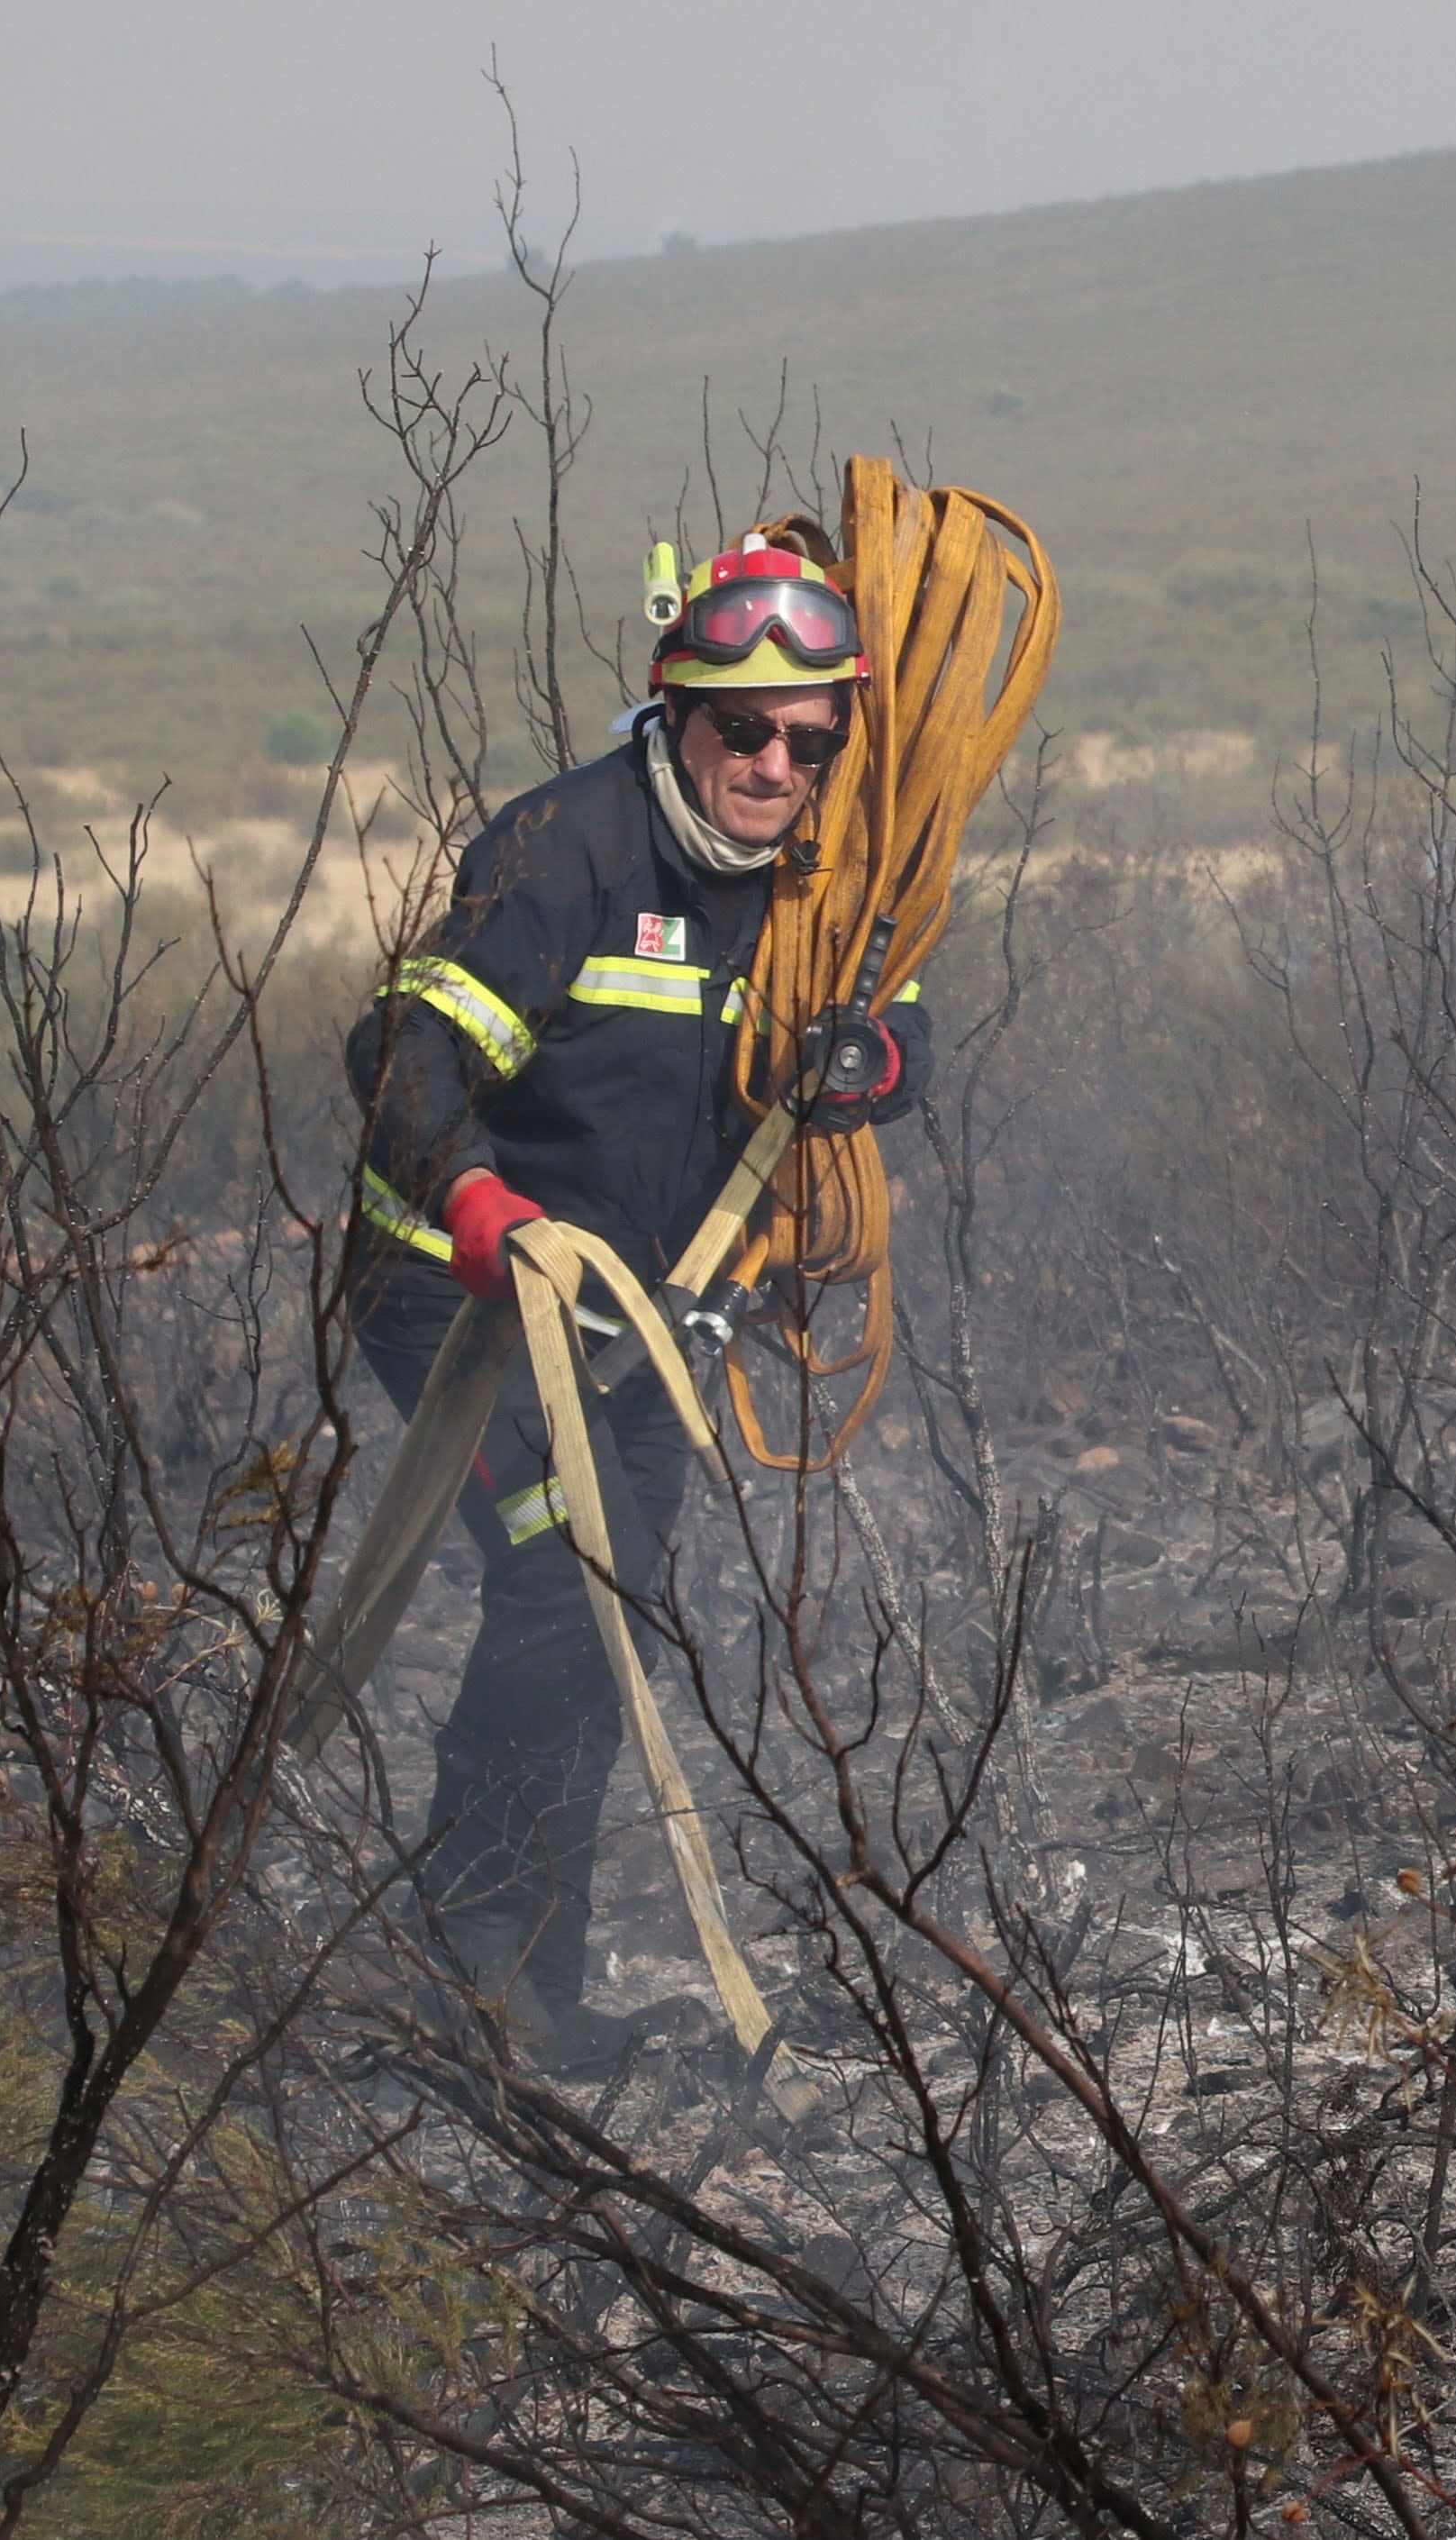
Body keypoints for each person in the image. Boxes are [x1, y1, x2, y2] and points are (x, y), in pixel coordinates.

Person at [341, 535, 925, 2070]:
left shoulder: (821, 885)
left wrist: (874, 1062)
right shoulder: (562, 852)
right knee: (557, 1578)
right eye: (743, 729)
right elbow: (400, 1057)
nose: (775, 765)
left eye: (811, 739)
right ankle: (474, 1971)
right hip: (459, 1296)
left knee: (615, 1616)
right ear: (674, 711)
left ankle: (534, 1981)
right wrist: (480, 1213)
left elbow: (897, 1024)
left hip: (647, 1319)